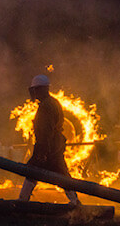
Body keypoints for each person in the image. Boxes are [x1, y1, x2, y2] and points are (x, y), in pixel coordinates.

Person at [18, 75, 80, 206]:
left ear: (40, 89)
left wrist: (42, 153)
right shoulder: (53, 102)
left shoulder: (46, 106)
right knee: (62, 175)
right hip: (54, 147)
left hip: (48, 147)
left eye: (35, 90)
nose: (34, 93)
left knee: (32, 172)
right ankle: (75, 202)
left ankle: (22, 203)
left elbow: (45, 132)